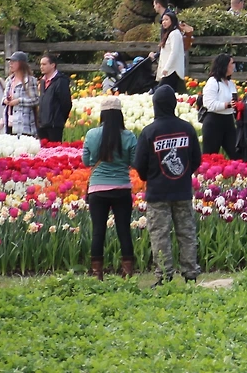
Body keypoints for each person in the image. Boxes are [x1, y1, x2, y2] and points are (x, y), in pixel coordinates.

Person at [133, 83, 202, 285]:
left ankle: (163, 275)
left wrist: (150, 177)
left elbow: (139, 164)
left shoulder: (149, 132)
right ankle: (190, 273)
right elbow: (196, 159)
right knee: (187, 232)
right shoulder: (187, 129)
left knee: (159, 235)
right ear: (173, 104)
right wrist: (184, 175)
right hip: (181, 190)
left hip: (158, 192)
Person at [82, 95, 137, 279]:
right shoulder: (129, 136)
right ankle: (127, 272)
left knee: (98, 231)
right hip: (122, 188)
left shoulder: (91, 134)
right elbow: (134, 161)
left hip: (98, 189)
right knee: (123, 230)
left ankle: (97, 273)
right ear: (120, 115)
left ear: (102, 114)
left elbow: (87, 161)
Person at [201, 53, 238, 158]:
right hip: (214, 122)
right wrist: (227, 105)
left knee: (236, 153)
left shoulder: (231, 83)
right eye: (232, 63)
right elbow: (209, 104)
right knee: (210, 156)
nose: (234, 66)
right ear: (224, 65)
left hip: (228, 121)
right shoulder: (213, 82)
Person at [36, 53, 72, 142]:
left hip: (54, 125)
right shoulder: (43, 81)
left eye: (44, 64)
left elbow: (66, 103)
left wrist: (58, 119)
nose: (41, 67)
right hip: (42, 125)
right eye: (40, 64)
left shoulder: (61, 81)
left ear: (52, 65)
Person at [3, 51, 40, 137]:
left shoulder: (30, 80)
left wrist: (18, 101)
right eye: (10, 62)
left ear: (21, 64)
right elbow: (4, 96)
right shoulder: (9, 80)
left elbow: (35, 100)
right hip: (9, 120)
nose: (10, 64)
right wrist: (5, 100)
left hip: (24, 124)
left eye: (14, 62)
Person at [151, 11, 186, 91]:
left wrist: (166, 68)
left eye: (166, 19)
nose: (164, 22)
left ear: (172, 21)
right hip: (168, 71)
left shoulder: (175, 34)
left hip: (172, 70)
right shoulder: (169, 33)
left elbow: (174, 52)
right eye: (163, 20)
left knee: (160, 92)